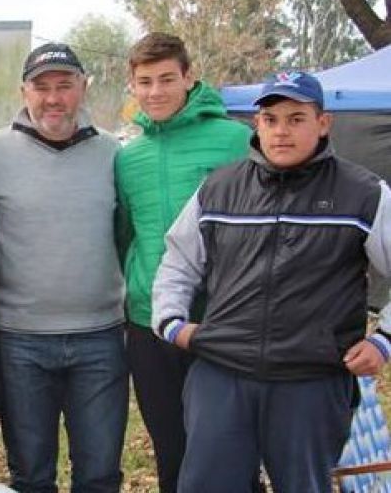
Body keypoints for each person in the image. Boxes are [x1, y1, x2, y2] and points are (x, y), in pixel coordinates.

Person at [152, 71, 391, 492]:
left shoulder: (364, 194)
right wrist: (172, 322)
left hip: (310, 381)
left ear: (323, 123)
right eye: (271, 119)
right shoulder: (219, 188)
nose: (281, 131)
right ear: (257, 125)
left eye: (296, 119)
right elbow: (178, 260)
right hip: (222, 374)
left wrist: (382, 341)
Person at [0, 42, 127, 492]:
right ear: (24, 91)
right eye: (42, 87)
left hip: (100, 336)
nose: (53, 98)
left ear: (83, 88)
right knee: (31, 476)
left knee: (99, 474)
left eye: (65, 85)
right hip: (20, 340)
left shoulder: (113, 154)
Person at [115, 32, 250, 493]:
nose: (155, 92)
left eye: (166, 79)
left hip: (222, 321)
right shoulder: (128, 158)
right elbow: (126, 235)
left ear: (189, 77)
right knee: (172, 451)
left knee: (228, 452)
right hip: (148, 324)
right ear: (131, 86)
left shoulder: (237, 140)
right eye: (144, 81)